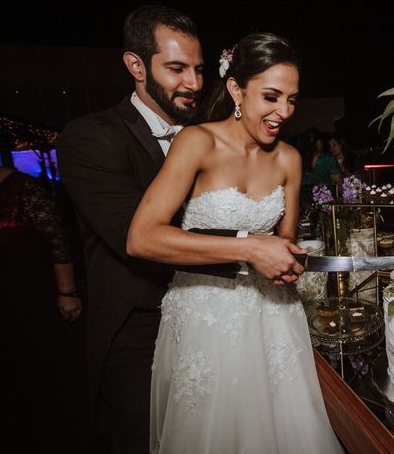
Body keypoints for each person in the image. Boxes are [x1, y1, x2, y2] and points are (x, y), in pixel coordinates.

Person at [126, 32, 344, 453]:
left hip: (272, 322)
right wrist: (247, 247)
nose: (284, 111)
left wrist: (290, 261)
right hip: (205, 319)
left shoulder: (289, 160)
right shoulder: (197, 143)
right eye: (271, 97)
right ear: (235, 89)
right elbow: (142, 238)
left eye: (292, 100)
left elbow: (284, 242)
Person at [57, 5, 239, 453]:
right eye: (176, 69)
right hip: (138, 328)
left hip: (215, 318)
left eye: (197, 69)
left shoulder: (212, 135)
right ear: (135, 65)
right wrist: (252, 248)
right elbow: (133, 237)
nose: (194, 84)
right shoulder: (90, 136)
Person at [0, 162, 84, 452]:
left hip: (26, 301)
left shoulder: (21, 188)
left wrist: (66, 292)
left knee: (35, 380)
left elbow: (58, 242)